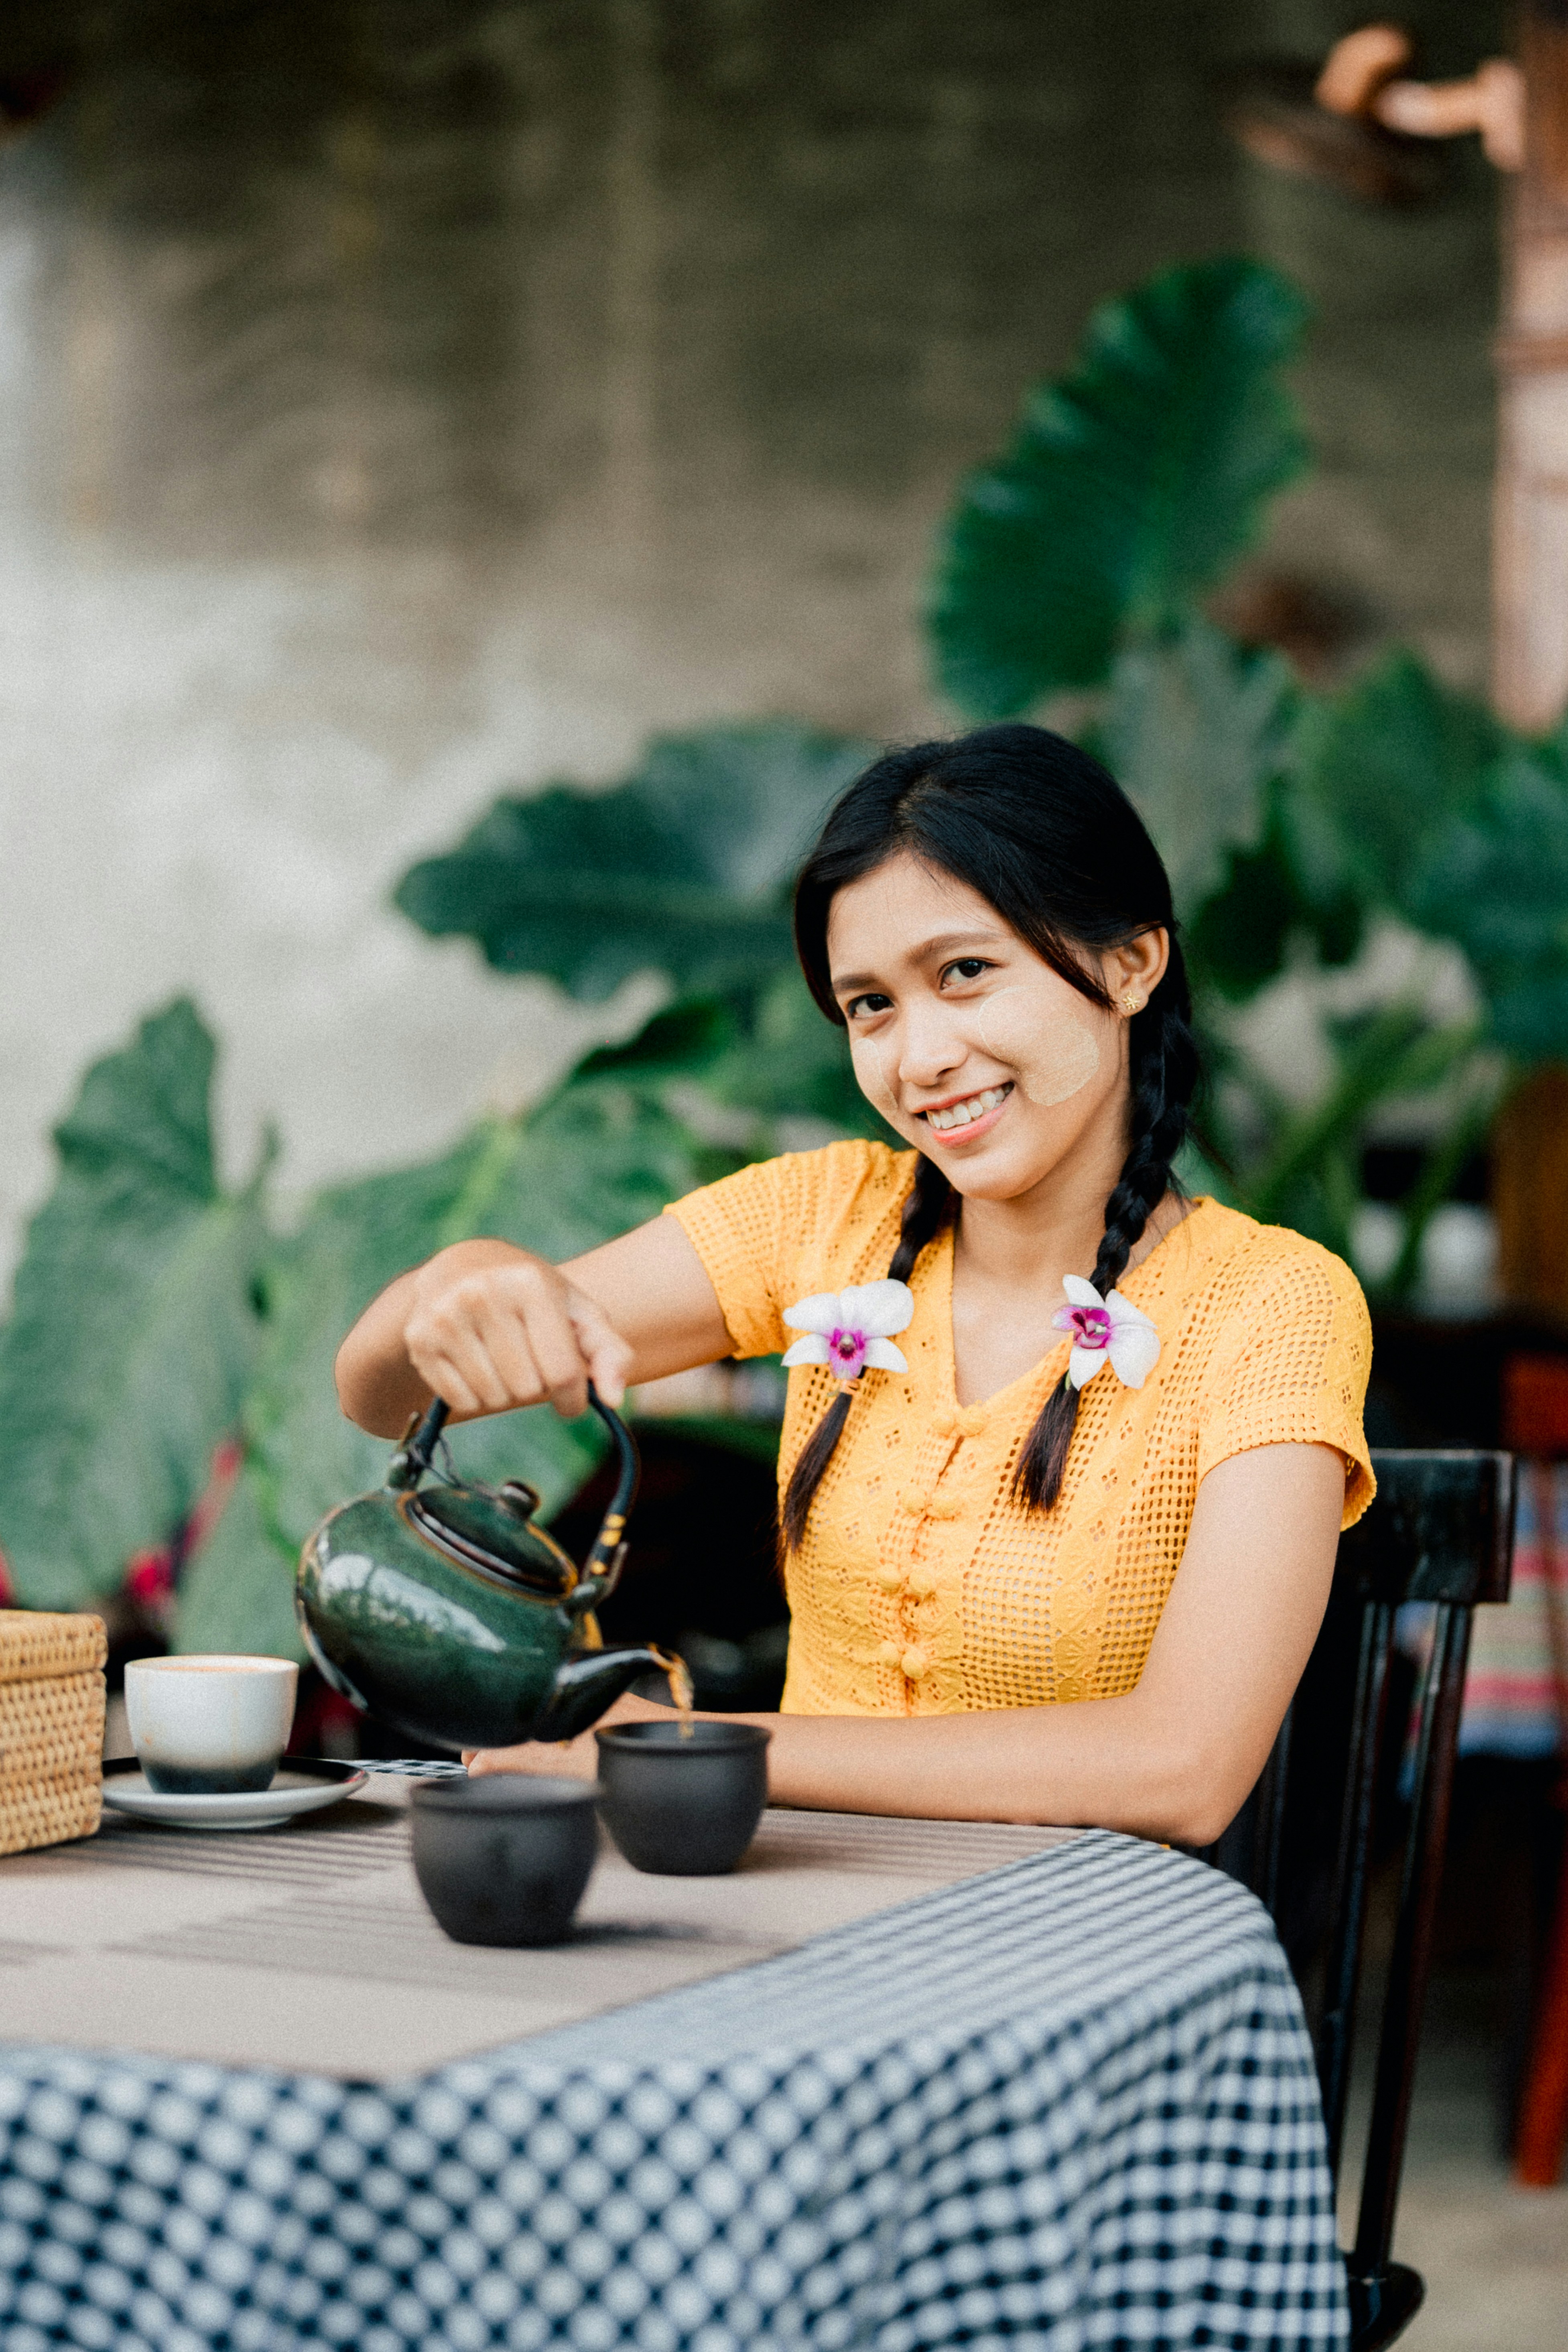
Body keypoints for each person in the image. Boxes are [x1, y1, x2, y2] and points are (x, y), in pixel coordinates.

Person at [336, 724, 1373, 1842]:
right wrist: (472, 1278)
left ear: (1128, 963)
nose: (917, 1057)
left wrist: (680, 1748)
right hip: (804, 1913)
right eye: (870, 1005)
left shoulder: (1273, 1306)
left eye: (963, 973)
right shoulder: (822, 1221)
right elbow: (381, 1395)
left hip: (1086, 1955)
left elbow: (1182, 1771)